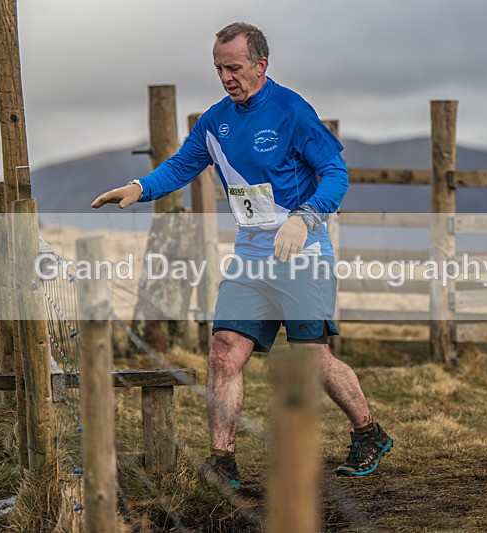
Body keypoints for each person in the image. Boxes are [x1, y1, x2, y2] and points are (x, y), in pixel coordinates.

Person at [92, 22, 392, 487]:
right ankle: (223, 461)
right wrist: (138, 187)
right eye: (218, 68)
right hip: (251, 257)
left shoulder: (292, 110)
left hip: (302, 250)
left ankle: (369, 433)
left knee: (311, 357)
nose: (226, 77)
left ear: (260, 65)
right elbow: (181, 165)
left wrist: (303, 218)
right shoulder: (215, 121)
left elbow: (335, 171)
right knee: (223, 353)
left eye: (234, 67)